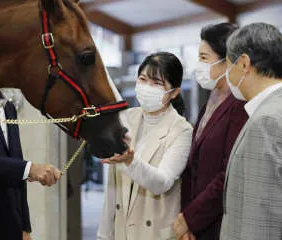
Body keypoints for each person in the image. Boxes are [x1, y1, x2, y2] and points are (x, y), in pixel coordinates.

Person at [220, 23, 282, 240]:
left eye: (229, 65)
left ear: (244, 63)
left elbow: (260, 224)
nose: (227, 74)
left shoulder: (268, 122)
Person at [97, 52, 193, 240]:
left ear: (174, 92)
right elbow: (112, 189)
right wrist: (103, 235)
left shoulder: (181, 130)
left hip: (154, 233)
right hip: (121, 231)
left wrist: (131, 161)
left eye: (157, 83)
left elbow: (162, 183)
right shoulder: (125, 118)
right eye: (142, 79)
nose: (147, 87)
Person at [174, 23, 248, 240]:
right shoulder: (211, 102)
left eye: (204, 58)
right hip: (198, 224)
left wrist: (190, 218)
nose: (199, 65)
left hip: (219, 223)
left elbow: (228, 175)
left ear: (227, 62)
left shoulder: (240, 106)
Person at [0, 91, 62, 240]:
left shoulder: (9, 108)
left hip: (11, 226)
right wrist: (30, 169)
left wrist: (24, 227)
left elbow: (16, 166)